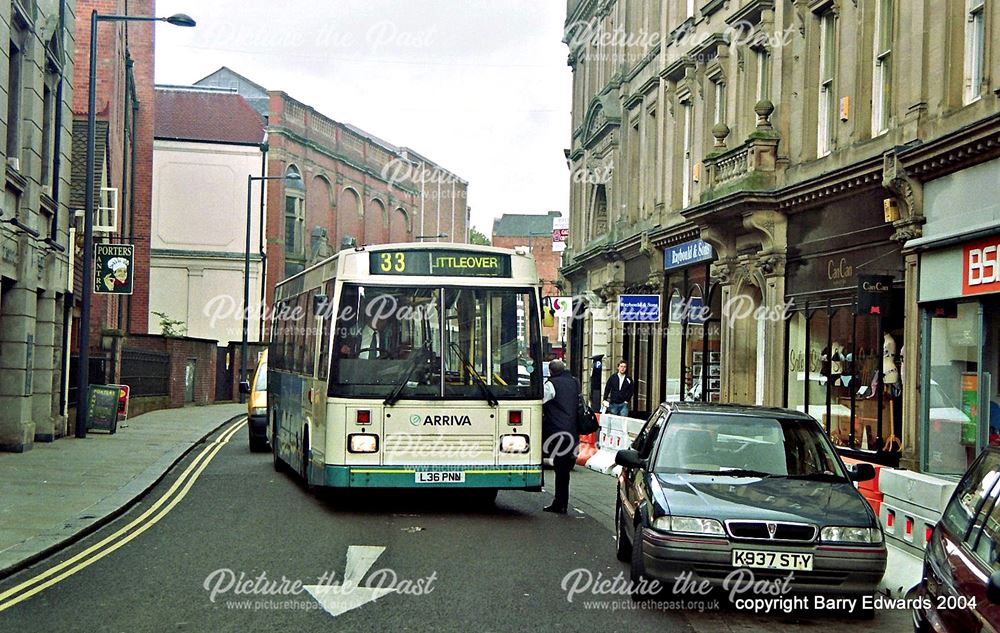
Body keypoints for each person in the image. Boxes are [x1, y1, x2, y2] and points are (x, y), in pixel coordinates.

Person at [542, 360, 580, 514]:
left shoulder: (551, 384)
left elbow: (540, 400)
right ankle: (562, 502)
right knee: (564, 469)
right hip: (572, 431)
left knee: (560, 469)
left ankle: (559, 503)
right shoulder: (574, 382)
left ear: (551, 371)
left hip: (557, 432)